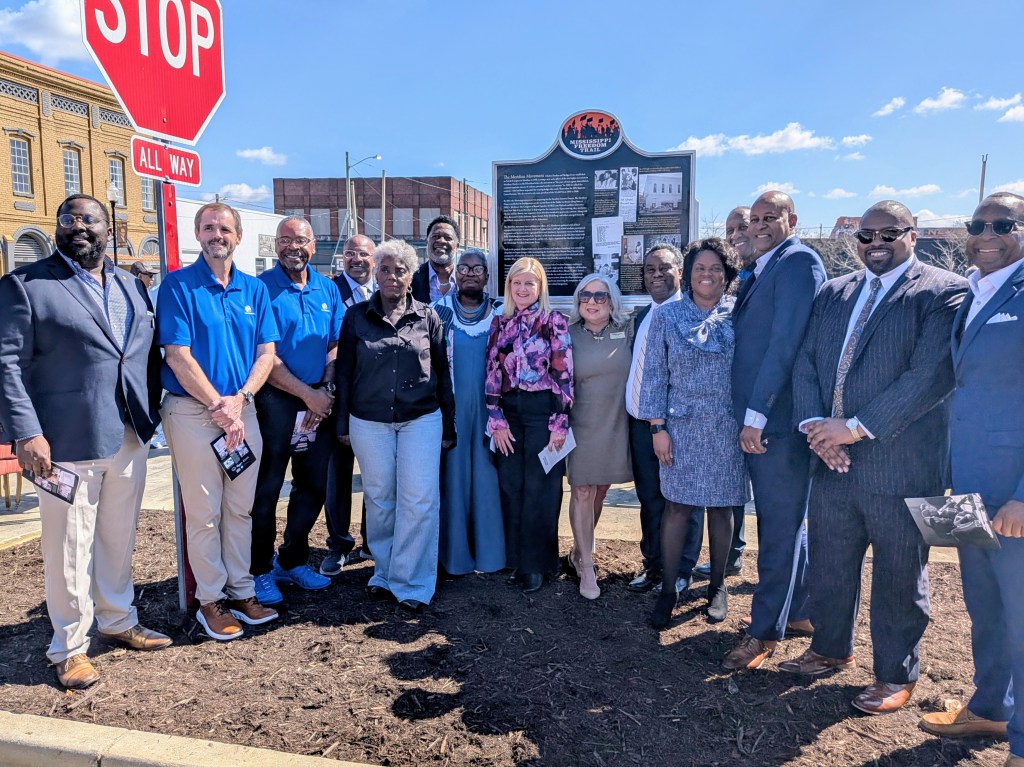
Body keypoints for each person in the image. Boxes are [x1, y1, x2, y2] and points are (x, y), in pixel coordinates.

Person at [782, 201, 966, 715]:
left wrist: (855, 430)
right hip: (831, 461)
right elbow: (808, 363)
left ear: (913, 235)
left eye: (889, 233)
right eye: (866, 236)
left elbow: (929, 377)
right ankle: (829, 649)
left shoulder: (942, 290)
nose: (875, 243)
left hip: (901, 463)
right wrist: (816, 430)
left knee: (900, 575)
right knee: (830, 564)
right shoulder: (834, 292)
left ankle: (894, 674)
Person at [0, 194, 169, 689]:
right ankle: (69, 647)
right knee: (68, 546)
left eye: (88, 219)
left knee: (118, 538)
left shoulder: (129, 286)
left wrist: (153, 414)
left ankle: (118, 621)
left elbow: (138, 355)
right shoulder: (24, 286)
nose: (78, 226)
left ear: (107, 229)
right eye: (67, 219)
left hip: (129, 436)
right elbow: (6, 364)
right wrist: (26, 431)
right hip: (62, 443)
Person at [919, 193, 1024, 764]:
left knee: (1022, 615)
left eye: (1002, 224)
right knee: (984, 607)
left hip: (1012, 493)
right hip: (966, 485)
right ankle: (992, 708)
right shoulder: (975, 291)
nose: (986, 233)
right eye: (976, 225)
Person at [157, 202, 281, 641]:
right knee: (205, 512)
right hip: (194, 413)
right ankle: (210, 600)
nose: (217, 235)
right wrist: (219, 405)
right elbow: (178, 355)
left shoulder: (254, 290)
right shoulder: (177, 287)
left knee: (240, 508)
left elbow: (266, 354)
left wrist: (242, 399)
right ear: (197, 233)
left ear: (238, 236)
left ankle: (242, 590)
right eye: (208, 227)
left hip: (243, 412)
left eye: (225, 228)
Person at [724, 190, 825, 671]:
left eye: (770, 217)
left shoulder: (799, 263)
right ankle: (801, 610)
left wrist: (757, 414)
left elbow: (785, 344)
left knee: (778, 528)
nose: (759, 226)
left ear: (792, 220)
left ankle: (763, 633)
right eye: (755, 218)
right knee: (788, 524)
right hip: (762, 418)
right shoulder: (766, 264)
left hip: (777, 424)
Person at [334, 239, 455, 612]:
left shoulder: (428, 317)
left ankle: (413, 583)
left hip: (421, 419)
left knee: (418, 500)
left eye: (400, 270)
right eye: (384, 269)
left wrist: (448, 426)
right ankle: (384, 573)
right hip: (368, 422)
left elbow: (442, 373)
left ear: (410, 275)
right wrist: (342, 423)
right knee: (381, 499)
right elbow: (345, 372)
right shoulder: (355, 317)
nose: (392, 276)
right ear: (376, 272)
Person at [641, 239, 749, 628]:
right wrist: (658, 428)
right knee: (677, 508)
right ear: (687, 274)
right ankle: (669, 590)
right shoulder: (667, 317)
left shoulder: (741, 315)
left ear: (728, 275)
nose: (708, 275)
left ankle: (716, 587)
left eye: (716, 269)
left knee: (723, 508)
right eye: (700, 268)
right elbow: (655, 375)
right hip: (680, 428)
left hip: (726, 428)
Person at [247, 217, 344, 605]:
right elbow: (265, 356)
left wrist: (326, 390)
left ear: (313, 244)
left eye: (300, 240)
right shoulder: (260, 289)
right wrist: (307, 394)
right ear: (275, 245)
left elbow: (335, 342)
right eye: (285, 240)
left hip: (318, 404)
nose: (293, 247)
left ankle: (293, 559)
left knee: (313, 487)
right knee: (267, 489)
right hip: (276, 402)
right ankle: (259, 569)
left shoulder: (327, 289)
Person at [486, 257, 574, 594]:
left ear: (540, 287)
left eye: (530, 283)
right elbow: (492, 371)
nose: (523, 289)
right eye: (517, 282)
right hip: (509, 412)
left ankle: (538, 565)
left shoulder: (553, 322)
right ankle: (517, 560)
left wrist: (560, 422)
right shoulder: (500, 322)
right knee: (511, 485)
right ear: (509, 287)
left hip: (543, 413)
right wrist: (495, 419)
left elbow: (564, 374)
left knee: (541, 488)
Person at [625, 245, 702, 597]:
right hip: (640, 425)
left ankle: (681, 569)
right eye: (650, 269)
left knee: (683, 501)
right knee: (650, 499)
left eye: (664, 268)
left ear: (680, 272)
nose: (656, 274)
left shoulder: (690, 314)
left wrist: (663, 427)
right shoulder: (643, 316)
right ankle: (654, 564)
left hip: (674, 427)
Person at [433, 249, 505, 575]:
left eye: (478, 269)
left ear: (488, 276)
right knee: (455, 478)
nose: (471, 273)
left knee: (488, 477)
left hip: (494, 410)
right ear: (456, 274)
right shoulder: (438, 312)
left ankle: (492, 556)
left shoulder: (503, 313)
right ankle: (455, 558)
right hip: (453, 409)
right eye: (464, 268)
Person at [691, 207, 753, 582]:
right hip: (701, 415)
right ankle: (727, 557)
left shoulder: (755, 276)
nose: (735, 234)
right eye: (730, 229)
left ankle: (732, 557)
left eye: (741, 227)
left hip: (740, 411)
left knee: (732, 494)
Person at [565, 274, 633, 600]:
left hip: (615, 422)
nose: (592, 301)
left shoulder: (627, 330)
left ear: (612, 301)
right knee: (581, 490)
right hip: (580, 423)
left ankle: (580, 550)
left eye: (600, 296)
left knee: (600, 490)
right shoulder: (566, 332)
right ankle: (586, 565)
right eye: (585, 295)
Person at [323, 234, 376, 574]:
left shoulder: (388, 289)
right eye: (351, 253)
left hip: (375, 401)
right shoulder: (329, 291)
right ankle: (339, 544)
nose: (357, 259)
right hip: (339, 399)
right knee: (338, 476)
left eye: (364, 253)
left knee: (377, 475)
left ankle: (373, 541)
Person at [412, 215, 459, 302]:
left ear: (457, 246)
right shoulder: (411, 278)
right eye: (435, 236)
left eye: (448, 237)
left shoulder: (466, 279)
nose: (441, 241)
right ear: (427, 242)